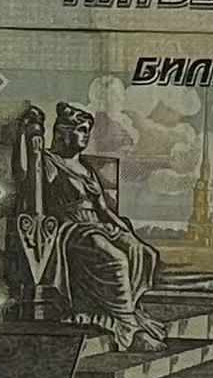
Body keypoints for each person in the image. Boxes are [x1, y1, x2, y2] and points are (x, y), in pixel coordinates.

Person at [38, 102, 167, 353]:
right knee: (115, 258)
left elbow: (104, 210)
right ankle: (130, 329)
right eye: (80, 130)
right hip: (70, 229)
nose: (85, 136)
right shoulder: (49, 161)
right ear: (62, 132)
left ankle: (123, 309)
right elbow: (28, 179)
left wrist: (130, 235)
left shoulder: (85, 169)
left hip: (96, 225)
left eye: (87, 131)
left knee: (140, 251)